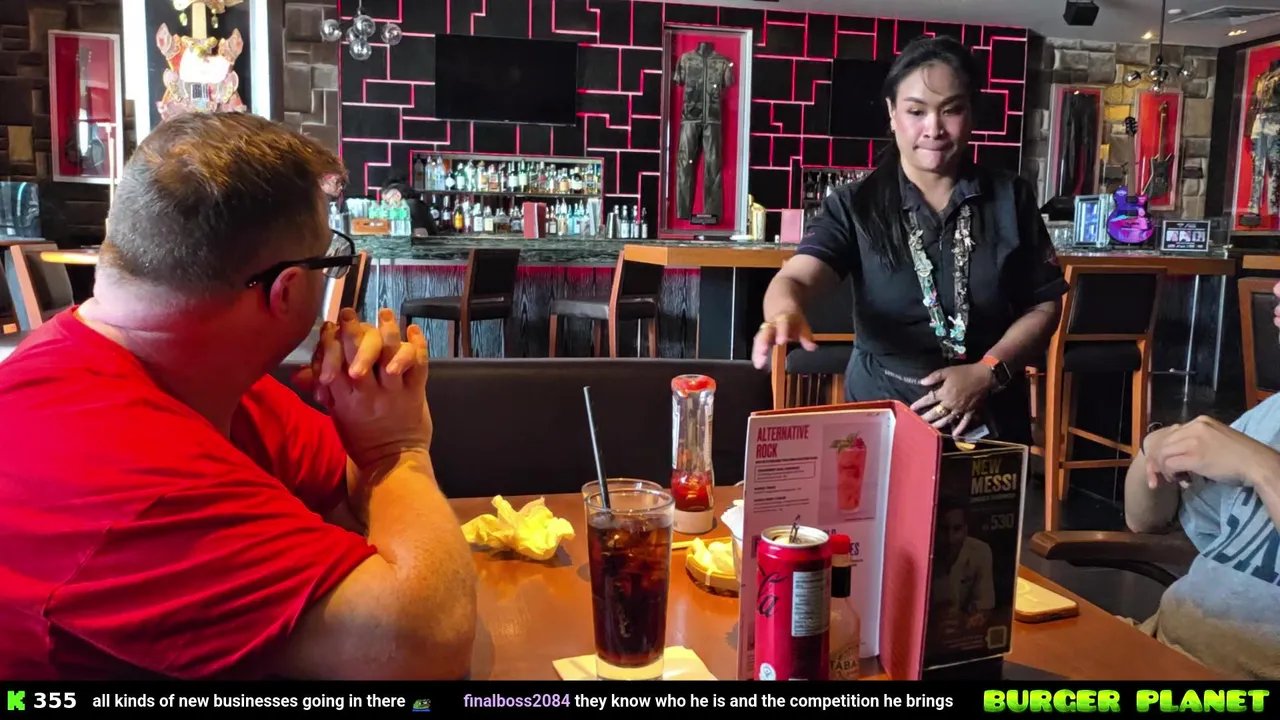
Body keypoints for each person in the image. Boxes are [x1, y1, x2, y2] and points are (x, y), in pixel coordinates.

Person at [0, 113, 477, 680]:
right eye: (330, 257)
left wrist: (373, 448)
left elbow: (349, 498)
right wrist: (397, 450)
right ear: (287, 289)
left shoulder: (196, 377)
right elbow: (428, 641)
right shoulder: (123, 464)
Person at [751, 36, 1066, 443]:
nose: (933, 129)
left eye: (951, 110)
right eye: (916, 111)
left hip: (991, 413)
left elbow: (1043, 304)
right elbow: (796, 277)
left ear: (971, 112)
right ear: (892, 113)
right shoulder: (855, 205)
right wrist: (783, 312)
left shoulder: (1011, 197)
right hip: (884, 414)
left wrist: (988, 371)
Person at [1126, 282, 1280, 679]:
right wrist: (1155, 448)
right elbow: (1145, 520)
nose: (1277, 287)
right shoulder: (1273, 414)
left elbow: (1257, 466)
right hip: (1151, 645)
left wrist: (1262, 467)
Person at [932, 496, 995, 616]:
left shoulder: (980, 551)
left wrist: (966, 620)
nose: (950, 539)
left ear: (966, 530)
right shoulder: (923, 551)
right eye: (944, 530)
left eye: (957, 529)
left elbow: (984, 606)